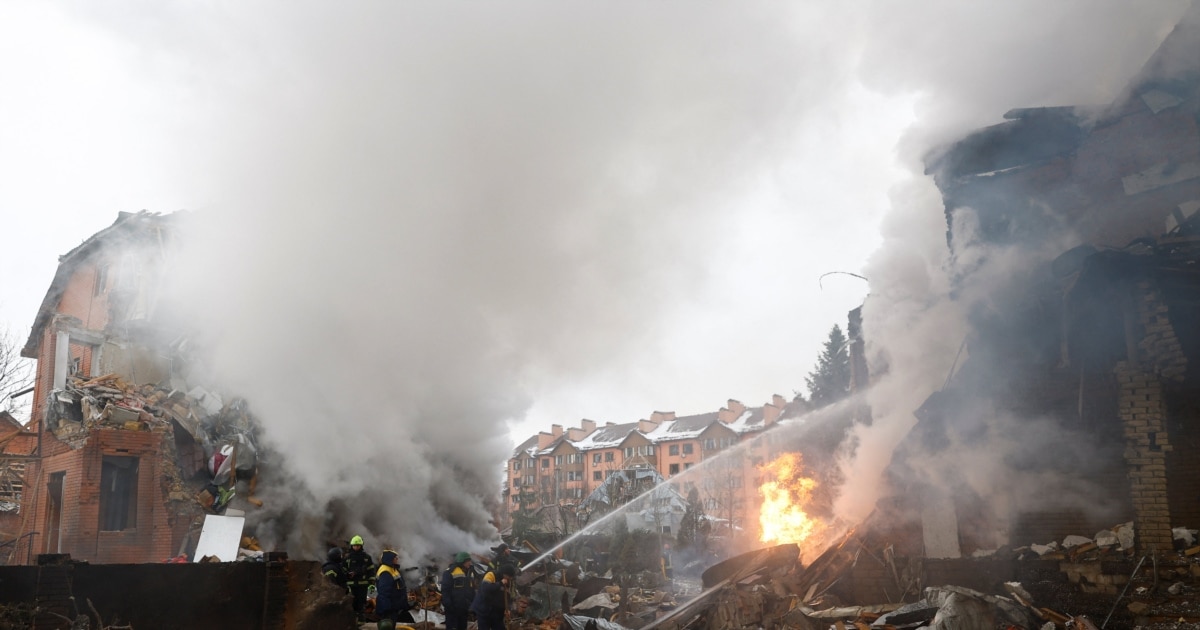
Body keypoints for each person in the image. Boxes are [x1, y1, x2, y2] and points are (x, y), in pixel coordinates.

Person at [375, 549, 413, 629]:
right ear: (390, 559)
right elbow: (384, 592)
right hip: (389, 608)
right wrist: (386, 609)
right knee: (388, 626)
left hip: (393, 606)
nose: (397, 559)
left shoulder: (392, 568)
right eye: (395, 558)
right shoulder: (385, 572)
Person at [471, 563, 514, 630]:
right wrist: (500, 583)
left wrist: (508, 608)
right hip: (484, 609)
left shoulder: (508, 582)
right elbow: (485, 588)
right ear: (504, 573)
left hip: (497, 612)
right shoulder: (491, 575)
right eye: (509, 576)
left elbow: (508, 596)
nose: (510, 578)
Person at [441, 552, 476, 630]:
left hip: (464, 609)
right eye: (468, 561)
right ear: (462, 561)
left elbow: (472, 590)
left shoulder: (470, 572)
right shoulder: (450, 572)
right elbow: (445, 591)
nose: (470, 563)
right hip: (453, 609)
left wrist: (472, 604)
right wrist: (449, 606)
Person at [345, 535, 376, 618]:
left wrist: (372, 582)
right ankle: (352, 620)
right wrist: (347, 575)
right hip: (351, 585)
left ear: (361, 546)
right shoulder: (347, 558)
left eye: (358, 545)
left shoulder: (366, 557)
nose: (356, 547)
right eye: (354, 546)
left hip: (363, 585)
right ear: (351, 546)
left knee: (361, 603)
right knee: (352, 603)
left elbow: (371, 570)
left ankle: (361, 621)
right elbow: (343, 569)